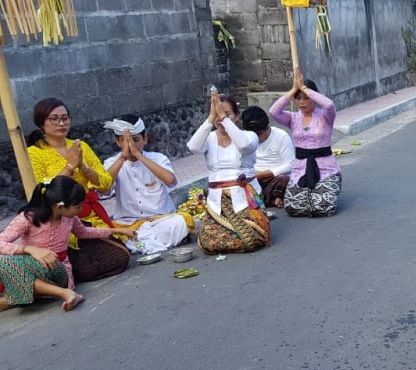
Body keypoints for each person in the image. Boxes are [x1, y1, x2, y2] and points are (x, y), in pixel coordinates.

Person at [26, 98, 131, 284]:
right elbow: (42, 190)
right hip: (58, 221)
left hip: (88, 217)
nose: (61, 123)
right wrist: (69, 166)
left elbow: (105, 183)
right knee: (86, 269)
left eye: (65, 118)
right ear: (41, 123)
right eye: (54, 119)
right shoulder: (34, 153)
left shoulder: (80, 146)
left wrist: (82, 165)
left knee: (121, 257)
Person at [0, 177, 135, 311]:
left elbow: (84, 232)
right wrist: (29, 249)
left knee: (11, 268)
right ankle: (46, 293)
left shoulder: (69, 218)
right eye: (77, 207)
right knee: (5, 261)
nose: (81, 210)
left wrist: (117, 230)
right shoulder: (27, 218)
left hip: (58, 271)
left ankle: (57, 292)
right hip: (30, 269)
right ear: (60, 206)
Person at [187, 90, 270, 254]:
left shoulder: (249, 136)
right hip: (217, 200)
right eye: (218, 114)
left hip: (244, 198)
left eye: (227, 114)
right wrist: (211, 118)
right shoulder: (209, 138)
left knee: (252, 239)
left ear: (236, 117)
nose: (221, 119)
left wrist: (224, 119)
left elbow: (244, 146)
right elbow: (193, 147)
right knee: (208, 243)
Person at [102, 115, 194, 254]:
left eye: (135, 140)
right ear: (117, 142)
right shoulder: (111, 163)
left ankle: (144, 245)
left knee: (180, 222)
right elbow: (104, 190)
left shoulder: (158, 158)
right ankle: (151, 243)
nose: (130, 145)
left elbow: (171, 181)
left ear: (145, 139)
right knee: (113, 233)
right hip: (129, 223)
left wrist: (139, 156)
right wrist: (123, 157)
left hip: (162, 219)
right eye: (124, 140)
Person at [269, 68, 341, 217]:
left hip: (326, 169)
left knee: (322, 207)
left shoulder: (325, 116)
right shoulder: (292, 118)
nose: (302, 102)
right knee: (293, 207)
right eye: (298, 98)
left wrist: (305, 89)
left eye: (306, 98)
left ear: (314, 98)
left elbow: (329, 105)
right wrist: (293, 90)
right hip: (300, 169)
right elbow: (273, 111)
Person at [242, 106, 294, 208]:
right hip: (253, 179)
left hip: (275, 179)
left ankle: (263, 200)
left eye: (259, 134)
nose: (255, 138)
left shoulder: (281, 136)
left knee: (284, 180)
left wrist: (265, 174)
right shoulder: (244, 140)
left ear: (267, 128)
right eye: (252, 135)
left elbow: (290, 165)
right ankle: (272, 200)